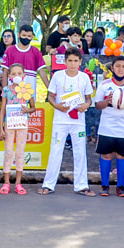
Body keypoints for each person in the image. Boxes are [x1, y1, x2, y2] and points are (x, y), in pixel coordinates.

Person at [39, 48, 95, 196]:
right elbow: (50, 96)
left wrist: (86, 105)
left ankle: (82, 185)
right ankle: (48, 184)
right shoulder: (58, 76)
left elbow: (89, 98)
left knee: (80, 152)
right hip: (60, 120)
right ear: (65, 61)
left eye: (75, 61)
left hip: (78, 121)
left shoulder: (84, 77)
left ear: (80, 62)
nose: (72, 64)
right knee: (55, 152)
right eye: (69, 60)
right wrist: (57, 106)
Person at [93, 55, 124, 197]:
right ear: (112, 68)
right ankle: (105, 186)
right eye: (118, 66)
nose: (120, 69)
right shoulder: (105, 84)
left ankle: (120, 186)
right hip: (107, 127)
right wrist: (108, 101)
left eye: (123, 66)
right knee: (106, 155)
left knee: (122, 156)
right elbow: (97, 105)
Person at [0, 63, 35, 195]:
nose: (17, 76)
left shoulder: (28, 90)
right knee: (8, 152)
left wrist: (28, 110)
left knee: (20, 153)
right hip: (9, 124)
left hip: (22, 125)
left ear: (24, 75)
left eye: (19, 73)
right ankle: (6, 182)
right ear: (9, 76)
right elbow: (2, 108)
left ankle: (18, 183)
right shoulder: (7, 90)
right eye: (13, 74)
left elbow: (33, 107)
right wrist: (1, 128)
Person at [0, 24, 46, 94]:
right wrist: (5, 90)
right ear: (19, 35)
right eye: (24, 35)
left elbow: (42, 71)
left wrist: (49, 88)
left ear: (32, 37)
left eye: (29, 36)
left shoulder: (36, 51)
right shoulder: (10, 50)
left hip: (30, 88)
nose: (26, 38)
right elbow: (5, 72)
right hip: (13, 89)